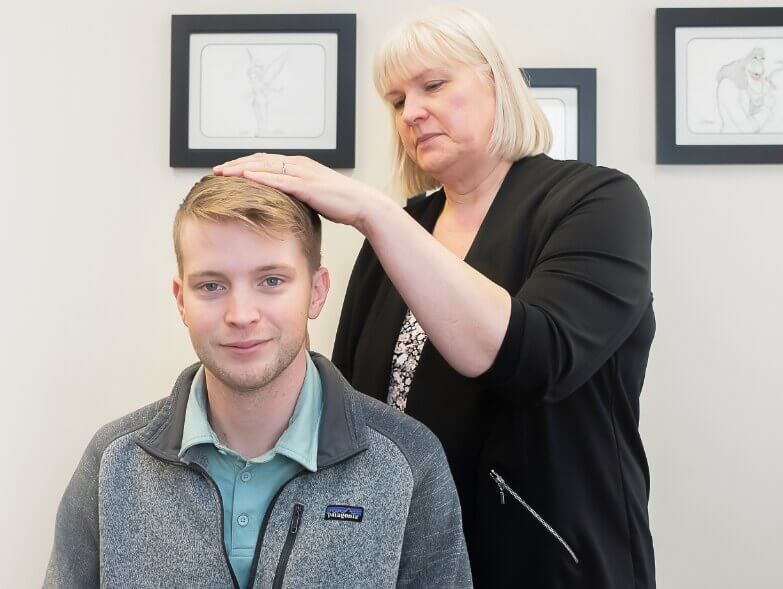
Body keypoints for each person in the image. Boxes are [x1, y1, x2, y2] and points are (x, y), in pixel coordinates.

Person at [213, 6, 657, 588]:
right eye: (397, 100)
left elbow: (534, 357)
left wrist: (370, 211)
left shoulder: (596, 204)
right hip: (408, 557)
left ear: (496, 83)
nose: (413, 112)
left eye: (434, 85)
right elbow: (351, 405)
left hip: (547, 560)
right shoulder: (400, 230)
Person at [44, 176, 471, 588]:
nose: (241, 314)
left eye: (271, 281)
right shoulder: (112, 464)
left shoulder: (410, 463)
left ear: (317, 292)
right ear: (181, 301)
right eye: (211, 285)